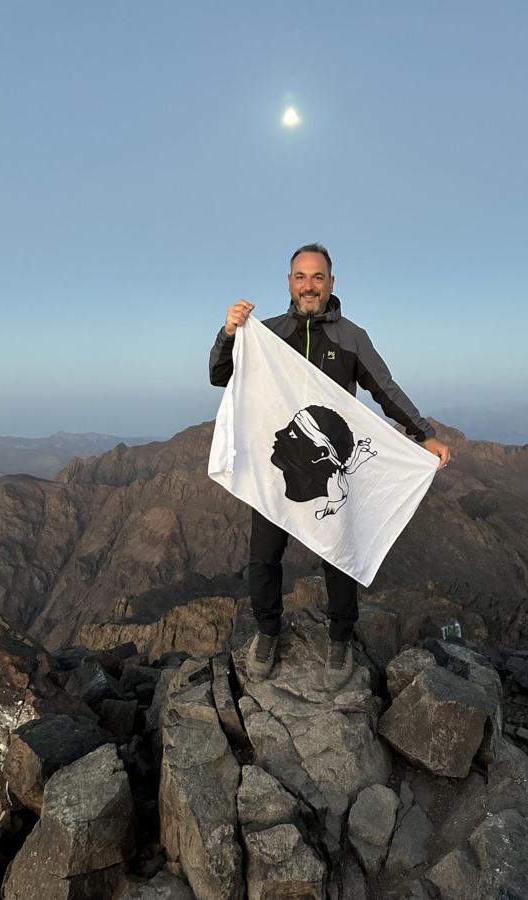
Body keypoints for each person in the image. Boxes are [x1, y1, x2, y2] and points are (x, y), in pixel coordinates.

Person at [209, 243, 450, 690]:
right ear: (289, 282)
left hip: (324, 472)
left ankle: (340, 639)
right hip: (276, 473)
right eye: (300, 277)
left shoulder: (351, 337)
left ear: (331, 284)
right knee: (263, 556)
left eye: (317, 277)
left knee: (339, 556)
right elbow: (221, 375)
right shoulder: (269, 332)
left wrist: (423, 432)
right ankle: (266, 632)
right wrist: (229, 332)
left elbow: (385, 388)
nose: (309, 286)